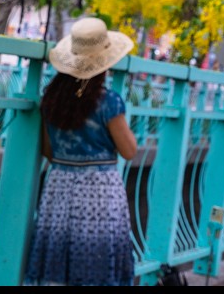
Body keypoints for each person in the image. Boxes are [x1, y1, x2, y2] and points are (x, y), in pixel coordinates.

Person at [23, 17, 138, 287]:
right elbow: (129, 150)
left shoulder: (51, 100)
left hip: (60, 184)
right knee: (98, 263)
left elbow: (48, 151)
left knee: (59, 260)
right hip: (99, 191)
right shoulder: (108, 101)